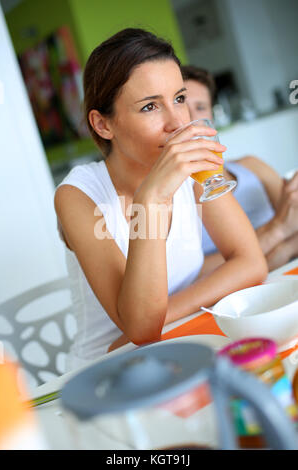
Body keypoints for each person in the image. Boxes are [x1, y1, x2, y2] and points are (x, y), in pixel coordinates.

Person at [54, 29, 267, 369]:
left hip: (180, 342)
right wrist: (152, 198)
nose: (178, 122)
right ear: (103, 124)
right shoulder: (77, 196)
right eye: (151, 106)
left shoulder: (190, 168)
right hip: (108, 371)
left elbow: (251, 263)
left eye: (180, 99)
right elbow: (140, 326)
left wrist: (165, 315)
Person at [181, 65, 298, 274]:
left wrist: (285, 249)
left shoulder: (252, 166)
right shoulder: (174, 197)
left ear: (212, 117)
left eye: (200, 107)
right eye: (181, 105)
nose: (192, 119)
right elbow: (193, 276)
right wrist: (278, 230)